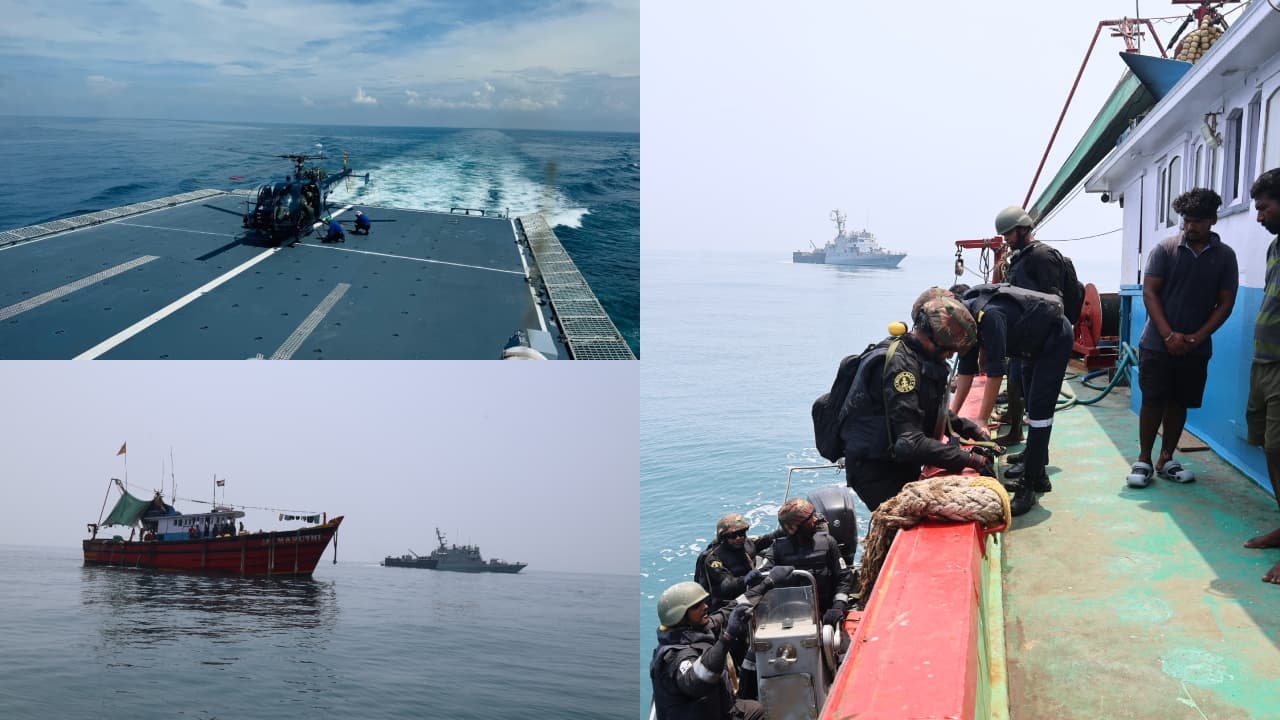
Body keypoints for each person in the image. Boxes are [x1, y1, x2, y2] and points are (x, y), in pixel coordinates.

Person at [841, 289, 995, 512]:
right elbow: (909, 443)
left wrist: (972, 430)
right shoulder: (902, 368)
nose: (950, 356)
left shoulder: (919, 355)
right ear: (933, 340)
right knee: (900, 520)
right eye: (949, 350)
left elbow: (929, 408)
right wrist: (970, 460)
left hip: (897, 461)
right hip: (877, 471)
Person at [1127, 188, 1238, 488]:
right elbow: (1150, 293)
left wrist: (1198, 337)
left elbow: (1226, 302)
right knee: (1153, 400)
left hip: (1195, 348)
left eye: (1198, 221)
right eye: (1186, 220)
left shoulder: (1225, 257)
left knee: (1179, 403)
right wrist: (1168, 335)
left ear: (1213, 220)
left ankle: (1166, 459)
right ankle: (1144, 459)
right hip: (1157, 344)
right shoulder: (1165, 250)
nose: (1190, 226)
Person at [951, 281, 1074, 516]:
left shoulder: (989, 316)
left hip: (1055, 338)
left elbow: (996, 371)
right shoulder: (965, 322)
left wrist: (982, 419)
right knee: (1030, 402)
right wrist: (952, 416)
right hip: (1030, 344)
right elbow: (966, 370)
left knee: (1039, 412)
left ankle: (1030, 485)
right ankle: (1039, 475)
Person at [650, 567, 793, 720]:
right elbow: (699, 681)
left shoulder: (696, 630)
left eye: (703, 602)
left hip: (715, 709)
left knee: (755, 710)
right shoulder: (675, 657)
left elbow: (732, 608)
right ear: (680, 616)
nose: (705, 606)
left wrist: (767, 583)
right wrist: (727, 637)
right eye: (697, 606)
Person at [991, 206, 1071, 455]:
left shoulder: (1042, 256)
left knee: (1038, 402)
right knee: (1018, 387)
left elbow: (1053, 302)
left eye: (1009, 234)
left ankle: (1035, 457)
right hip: (1024, 340)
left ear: (1024, 229)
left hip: (1042, 341)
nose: (1006, 239)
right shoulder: (1021, 257)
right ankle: (1025, 445)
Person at [1244, 168, 1280, 584]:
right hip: (1265, 363)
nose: (1258, 216)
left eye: (1264, 207)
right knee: (1271, 450)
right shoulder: (1275, 247)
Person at [761, 498, 856, 627]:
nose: (816, 519)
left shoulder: (828, 542)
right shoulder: (777, 549)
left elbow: (843, 577)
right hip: (788, 616)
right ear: (797, 527)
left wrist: (838, 606)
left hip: (826, 612)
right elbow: (763, 575)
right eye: (810, 518)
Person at [696, 514, 784, 611]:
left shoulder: (748, 544)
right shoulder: (713, 558)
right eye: (733, 535)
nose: (738, 538)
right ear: (723, 537)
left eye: (741, 533)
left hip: (748, 593)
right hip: (724, 604)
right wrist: (746, 579)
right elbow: (727, 585)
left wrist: (785, 529)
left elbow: (767, 539)